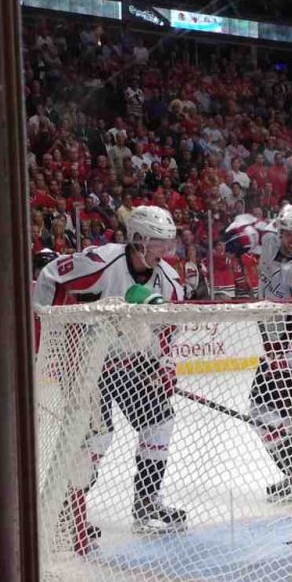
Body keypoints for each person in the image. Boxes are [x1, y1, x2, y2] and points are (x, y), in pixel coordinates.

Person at [33, 205, 185, 545]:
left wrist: (164, 367)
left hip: (129, 361)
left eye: (167, 244)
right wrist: (49, 338)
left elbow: (167, 331)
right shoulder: (102, 263)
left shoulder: (170, 282)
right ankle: (68, 512)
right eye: (159, 244)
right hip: (85, 360)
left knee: (160, 421)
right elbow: (51, 277)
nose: (166, 251)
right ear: (138, 241)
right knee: (93, 437)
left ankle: (146, 504)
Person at [225, 203, 292, 500]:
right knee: (263, 413)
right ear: (281, 231)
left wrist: (288, 358)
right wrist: (239, 232)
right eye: (289, 233)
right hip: (277, 344)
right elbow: (247, 223)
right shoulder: (271, 238)